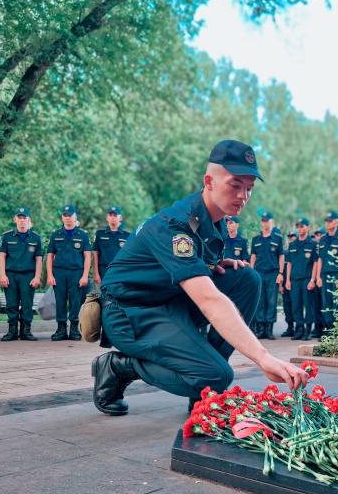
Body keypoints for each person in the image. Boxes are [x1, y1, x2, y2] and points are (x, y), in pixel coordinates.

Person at [94, 139, 308, 416]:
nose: (243, 196)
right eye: (235, 185)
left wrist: (212, 264)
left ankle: (203, 388)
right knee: (218, 376)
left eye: (249, 189)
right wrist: (263, 358)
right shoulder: (174, 226)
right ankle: (118, 366)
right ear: (209, 181)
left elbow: (197, 269)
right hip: (131, 312)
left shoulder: (212, 222)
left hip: (168, 303)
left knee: (246, 278)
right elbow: (209, 299)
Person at [46, 204, 91, 341]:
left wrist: (84, 275)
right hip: (59, 272)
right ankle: (61, 329)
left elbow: (87, 256)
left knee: (75, 301)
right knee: (60, 301)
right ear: (62, 218)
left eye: (70, 215)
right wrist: (49, 274)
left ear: (75, 217)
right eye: (65, 216)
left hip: (76, 273)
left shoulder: (82, 235)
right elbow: (49, 256)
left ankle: (74, 329)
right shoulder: (56, 235)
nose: (67, 218)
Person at [0, 207, 43, 341]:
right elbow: (2, 256)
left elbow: (39, 259)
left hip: (28, 276)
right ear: (15, 219)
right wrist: (2, 275)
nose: (22, 220)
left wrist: (37, 277)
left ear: (29, 219)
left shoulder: (35, 238)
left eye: (25, 218)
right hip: (11, 275)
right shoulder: (7, 236)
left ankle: (26, 330)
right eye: (20, 217)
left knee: (27, 304)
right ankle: (12, 331)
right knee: (11, 303)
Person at [249, 211, 283, 341]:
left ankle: (269, 329)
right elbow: (253, 256)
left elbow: (281, 255)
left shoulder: (277, 238)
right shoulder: (256, 238)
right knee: (260, 302)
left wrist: (280, 273)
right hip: (259, 272)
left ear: (272, 222)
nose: (265, 223)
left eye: (267, 221)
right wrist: (252, 271)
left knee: (271, 301)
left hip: (273, 273)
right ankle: (261, 329)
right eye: (263, 221)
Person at [285, 217, 318, 341]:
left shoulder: (313, 244)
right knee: (296, 305)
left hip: (307, 279)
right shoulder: (292, 244)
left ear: (308, 228)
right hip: (294, 280)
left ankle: (308, 329)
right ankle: (299, 329)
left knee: (308, 305)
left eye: (302, 226)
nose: (300, 229)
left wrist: (312, 280)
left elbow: (315, 262)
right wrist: (287, 280)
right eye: (298, 226)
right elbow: (289, 263)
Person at [316, 210, 338, 336]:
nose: (328, 223)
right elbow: (320, 259)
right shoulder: (323, 239)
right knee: (326, 302)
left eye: (330, 221)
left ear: (337, 222)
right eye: (327, 221)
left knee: (337, 302)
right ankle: (328, 329)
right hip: (324, 274)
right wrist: (318, 277)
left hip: (336, 273)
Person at [92, 206, 130, 289]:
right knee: (103, 296)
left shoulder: (127, 235)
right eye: (111, 215)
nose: (113, 218)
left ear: (120, 218)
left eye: (115, 215)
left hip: (119, 270)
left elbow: (129, 256)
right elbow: (95, 253)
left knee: (118, 295)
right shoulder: (100, 233)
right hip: (103, 270)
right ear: (107, 217)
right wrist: (96, 273)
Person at [280, 230, 297, 337]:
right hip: (286, 283)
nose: (291, 239)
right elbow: (281, 270)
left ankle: (300, 327)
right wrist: (281, 285)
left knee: (297, 305)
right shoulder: (284, 253)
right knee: (287, 305)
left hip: (296, 281)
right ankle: (290, 326)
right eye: (290, 237)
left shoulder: (299, 251)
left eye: (294, 237)